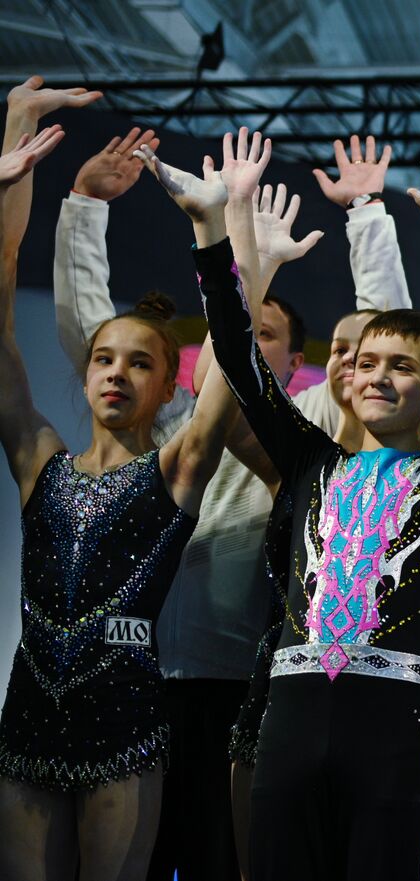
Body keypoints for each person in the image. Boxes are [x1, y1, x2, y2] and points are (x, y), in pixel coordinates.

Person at [51, 127, 412, 881]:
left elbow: (391, 343)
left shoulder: (309, 429)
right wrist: (83, 210)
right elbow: (92, 334)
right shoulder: (167, 425)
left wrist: (368, 218)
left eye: (261, 330)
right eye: (227, 328)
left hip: (244, 690)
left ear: (291, 358)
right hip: (141, 683)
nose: (233, 338)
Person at [203, 144, 420, 880]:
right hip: (288, 725)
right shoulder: (314, 460)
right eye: (364, 363)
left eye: (400, 365)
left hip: (392, 737)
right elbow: (235, 351)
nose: (375, 374)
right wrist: (217, 226)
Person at [0, 117, 267, 881]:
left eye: (139, 362)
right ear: (84, 376)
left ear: (167, 383)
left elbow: (234, 354)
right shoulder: (38, 462)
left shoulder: (178, 470)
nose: (116, 372)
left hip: (125, 723)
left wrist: (220, 225)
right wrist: (9, 189)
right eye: (103, 359)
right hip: (27, 716)